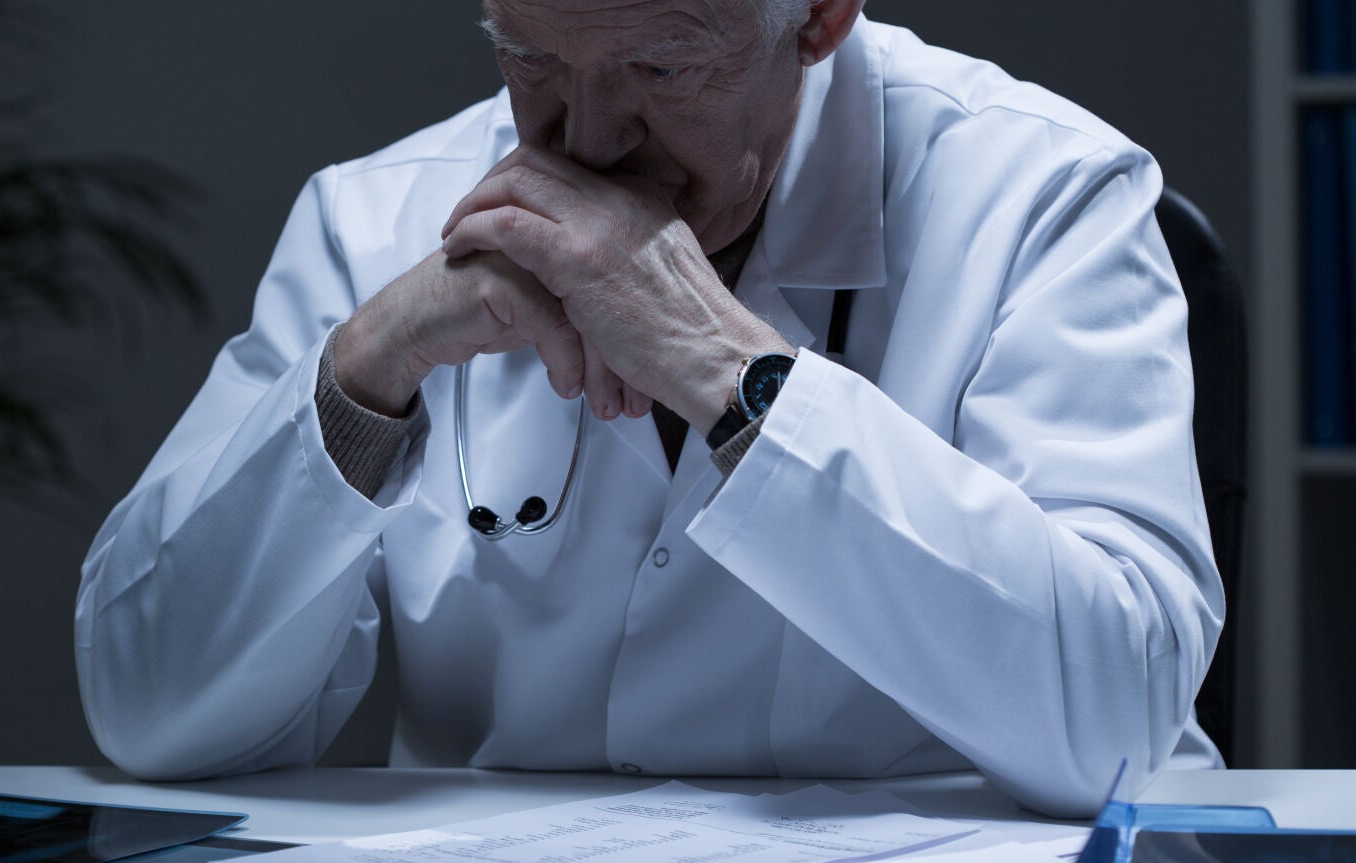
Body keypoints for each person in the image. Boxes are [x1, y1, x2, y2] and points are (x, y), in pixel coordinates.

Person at [74, 0, 1225, 818]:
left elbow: (1117, 721)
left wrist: (726, 372)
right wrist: (373, 365)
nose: (585, 141)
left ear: (820, 16)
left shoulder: (1040, 193)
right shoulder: (375, 220)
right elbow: (146, 709)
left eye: (663, 70)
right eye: (530, 58)